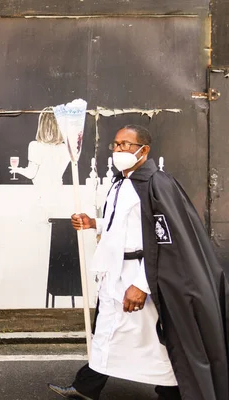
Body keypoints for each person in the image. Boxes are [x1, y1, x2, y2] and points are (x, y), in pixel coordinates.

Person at [48, 125, 229, 400]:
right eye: (116, 144)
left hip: (140, 275)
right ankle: (86, 386)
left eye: (126, 145)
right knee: (109, 331)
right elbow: (123, 226)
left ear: (143, 150)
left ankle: (174, 392)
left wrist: (142, 285)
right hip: (117, 274)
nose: (119, 150)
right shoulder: (121, 183)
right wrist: (93, 223)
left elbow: (165, 243)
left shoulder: (158, 184)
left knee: (152, 341)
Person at [9, 106, 70, 186]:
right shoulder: (65, 148)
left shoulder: (35, 146)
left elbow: (31, 174)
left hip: (40, 192)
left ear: (41, 126)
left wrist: (17, 170)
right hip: (58, 191)